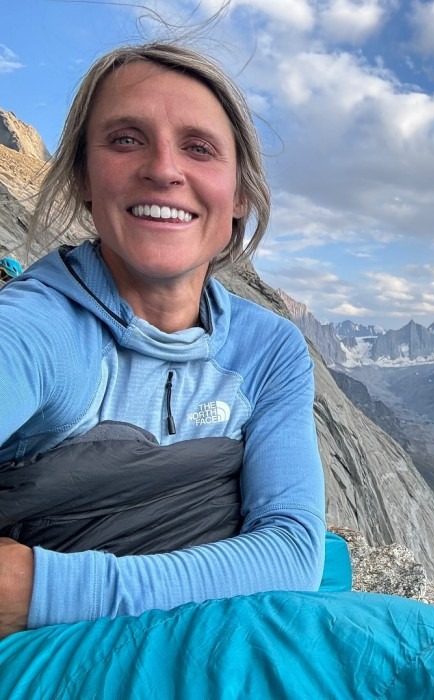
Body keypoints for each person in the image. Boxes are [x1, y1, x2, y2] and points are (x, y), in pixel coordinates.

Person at [0, 42, 326, 639]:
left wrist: (34, 588)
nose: (164, 169)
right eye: (126, 139)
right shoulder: (36, 328)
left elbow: (294, 553)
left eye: (199, 148)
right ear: (82, 178)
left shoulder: (270, 348)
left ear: (240, 196)